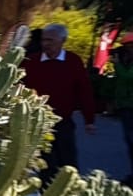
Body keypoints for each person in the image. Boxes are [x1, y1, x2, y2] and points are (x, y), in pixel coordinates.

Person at [21, 22, 98, 186]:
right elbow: (19, 88)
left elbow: (84, 91)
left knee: (68, 162)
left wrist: (89, 120)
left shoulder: (73, 61)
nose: (46, 44)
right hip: (39, 122)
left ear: (63, 41)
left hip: (63, 120)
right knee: (45, 164)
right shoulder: (31, 62)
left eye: (51, 40)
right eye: (44, 40)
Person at [100, 42, 133, 185]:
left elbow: (127, 76)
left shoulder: (125, 65)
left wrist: (117, 64)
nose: (127, 49)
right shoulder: (127, 60)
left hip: (131, 104)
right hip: (125, 104)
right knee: (130, 141)